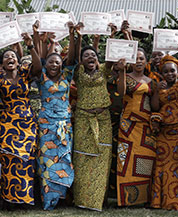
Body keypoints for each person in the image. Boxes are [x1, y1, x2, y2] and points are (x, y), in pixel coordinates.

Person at [0, 33, 41, 207]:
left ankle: (25, 199)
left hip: (27, 123)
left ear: (18, 61)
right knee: (9, 159)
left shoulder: (26, 73)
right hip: (8, 122)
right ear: (2, 63)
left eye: (13, 56)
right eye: (6, 57)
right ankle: (9, 200)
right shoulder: (0, 78)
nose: (9, 58)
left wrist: (30, 45)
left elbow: (39, 67)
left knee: (26, 160)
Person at [71, 23, 116, 211]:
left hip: (103, 119)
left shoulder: (105, 70)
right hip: (83, 119)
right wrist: (78, 36)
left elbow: (113, 57)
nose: (91, 57)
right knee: (83, 158)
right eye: (86, 55)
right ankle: (82, 200)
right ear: (81, 61)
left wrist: (112, 35)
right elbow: (73, 56)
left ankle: (99, 200)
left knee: (102, 157)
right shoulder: (79, 72)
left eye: (94, 55)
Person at [35, 22, 76, 210]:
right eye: (51, 61)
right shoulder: (42, 75)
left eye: (57, 62)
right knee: (47, 160)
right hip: (46, 125)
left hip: (64, 126)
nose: (53, 64)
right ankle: (47, 199)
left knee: (64, 158)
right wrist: (39, 37)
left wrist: (73, 34)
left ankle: (61, 197)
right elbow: (40, 57)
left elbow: (74, 56)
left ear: (62, 65)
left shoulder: (67, 76)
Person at [150, 46, 178, 209]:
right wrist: (156, 91)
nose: (169, 74)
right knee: (163, 165)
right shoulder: (159, 86)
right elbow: (155, 107)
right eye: (166, 71)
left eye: (172, 71)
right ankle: (161, 202)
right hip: (164, 132)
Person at [116, 48, 156, 206]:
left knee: (146, 160)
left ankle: (142, 199)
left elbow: (155, 105)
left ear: (146, 62)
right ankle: (125, 200)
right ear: (131, 61)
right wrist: (121, 72)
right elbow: (121, 92)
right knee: (125, 161)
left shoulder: (151, 81)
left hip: (145, 126)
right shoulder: (125, 77)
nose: (139, 61)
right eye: (136, 58)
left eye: (142, 58)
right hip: (128, 125)